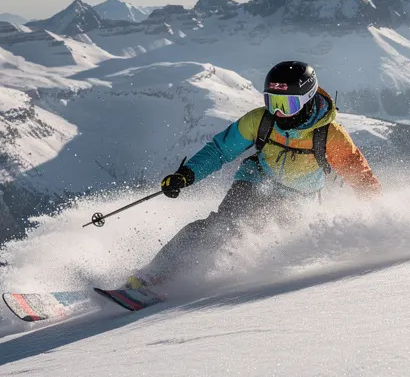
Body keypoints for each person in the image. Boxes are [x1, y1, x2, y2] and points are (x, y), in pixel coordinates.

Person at [129, 60, 381, 287]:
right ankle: (155, 275)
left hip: (298, 199)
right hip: (256, 179)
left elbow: (358, 173)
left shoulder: (329, 134)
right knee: (221, 226)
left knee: (265, 241)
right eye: (273, 102)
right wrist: (187, 175)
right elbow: (220, 150)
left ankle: (202, 277)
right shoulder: (261, 120)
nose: (279, 113)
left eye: (287, 104)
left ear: (307, 99)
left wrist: (379, 214)